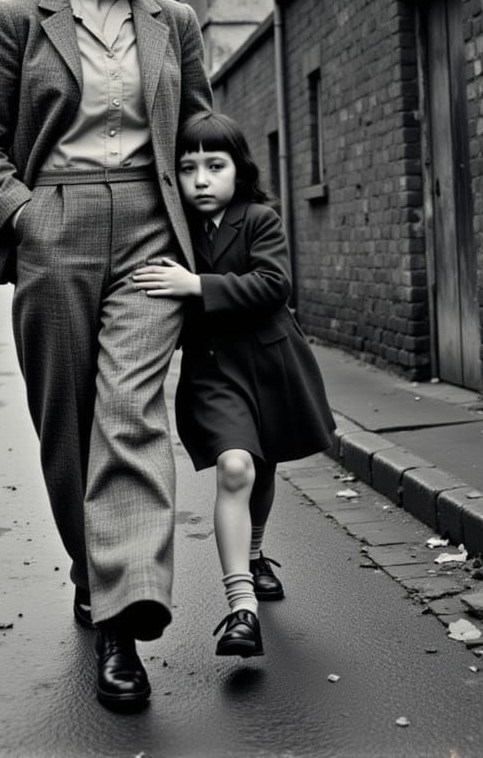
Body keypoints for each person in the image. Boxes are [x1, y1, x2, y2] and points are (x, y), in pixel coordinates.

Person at [0, 0, 212, 709]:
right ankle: (94, 573)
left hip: (150, 232)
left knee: (130, 415)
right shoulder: (21, 20)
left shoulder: (174, 21)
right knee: (66, 422)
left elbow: (203, 133)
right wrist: (24, 217)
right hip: (52, 227)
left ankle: (123, 620)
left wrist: (222, 227)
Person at [132, 111, 335, 658]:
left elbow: (273, 285)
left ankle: (256, 552)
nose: (201, 179)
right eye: (189, 167)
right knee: (236, 466)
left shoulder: (259, 219)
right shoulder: (173, 230)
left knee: (262, 467)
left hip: (271, 367)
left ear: (237, 171)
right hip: (213, 372)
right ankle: (240, 606)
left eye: (214, 166)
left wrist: (195, 284)